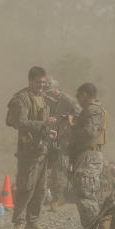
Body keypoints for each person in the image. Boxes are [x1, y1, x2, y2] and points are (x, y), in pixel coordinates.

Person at [5, 66, 56, 229]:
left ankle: (32, 222)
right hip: (28, 150)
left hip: (42, 149)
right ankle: (18, 224)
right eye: (38, 82)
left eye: (43, 82)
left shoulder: (43, 98)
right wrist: (42, 125)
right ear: (30, 81)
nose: (41, 85)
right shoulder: (22, 99)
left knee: (40, 189)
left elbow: (44, 123)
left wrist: (49, 129)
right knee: (26, 187)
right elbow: (20, 122)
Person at [65, 82, 107, 229]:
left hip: (90, 156)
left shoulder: (93, 110)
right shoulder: (90, 110)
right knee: (84, 195)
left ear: (84, 94)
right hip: (85, 155)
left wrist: (71, 131)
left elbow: (89, 132)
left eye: (78, 96)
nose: (78, 100)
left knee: (86, 195)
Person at [45, 79, 81, 210]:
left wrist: (68, 118)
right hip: (50, 136)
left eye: (49, 92)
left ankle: (57, 198)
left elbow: (79, 114)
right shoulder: (47, 99)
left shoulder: (68, 100)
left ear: (56, 90)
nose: (47, 94)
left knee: (59, 168)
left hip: (63, 140)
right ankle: (46, 196)